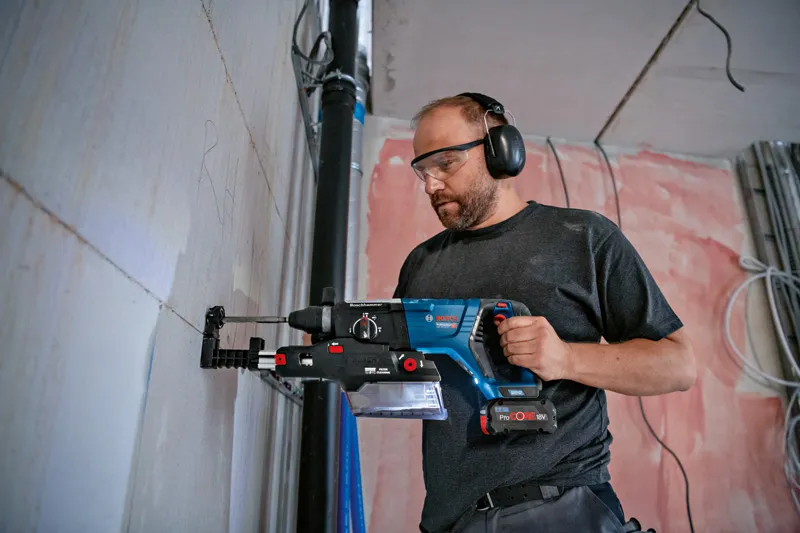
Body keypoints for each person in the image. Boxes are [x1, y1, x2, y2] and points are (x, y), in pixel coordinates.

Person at [391, 93, 696, 533]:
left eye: (446, 164)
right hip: (449, 520)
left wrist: (567, 359)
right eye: (423, 170)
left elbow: (679, 364)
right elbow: (401, 372)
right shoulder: (421, 263)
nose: (431, 186)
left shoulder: (583, 238)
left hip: (560, 507)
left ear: (501, 151)